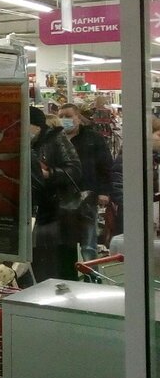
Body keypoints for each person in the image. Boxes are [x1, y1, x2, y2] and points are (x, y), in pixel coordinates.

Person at [29, 105, 83, 281]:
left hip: (57, 212)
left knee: (60, 264)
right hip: (33, 214)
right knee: (38, 264)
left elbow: (75, 170)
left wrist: (50, 174)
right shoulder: (22, 143)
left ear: (37, 126)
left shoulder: (56, 139)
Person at [58, 102, 114, 260]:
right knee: (64, 243)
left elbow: (105, 166)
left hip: (87, 194)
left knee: (88, 244)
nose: (64, 120)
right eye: (61, 116)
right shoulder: (55, 139)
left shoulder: (93, 138)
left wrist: (104, 192)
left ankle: (91, 272)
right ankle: (68, 272)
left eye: (68, 116)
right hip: (61, 196)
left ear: (78, 117)